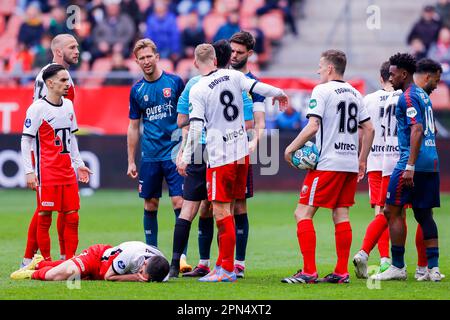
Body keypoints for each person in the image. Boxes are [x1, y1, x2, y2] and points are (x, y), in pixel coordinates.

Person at [178, 43, 288, 282]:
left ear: (196, 64)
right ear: (216, 60)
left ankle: (226, 269)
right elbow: (259, 87)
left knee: (220, 210)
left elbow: (196, 128)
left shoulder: (199, 88)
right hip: (241, 155)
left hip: (220, 157)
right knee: (230, 209)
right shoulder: (234, 75)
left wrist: (186, 157)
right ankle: (223, 265)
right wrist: (279, 92)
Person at [282, 49, 374, 284]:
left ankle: (309, 271)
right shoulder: (355, 92)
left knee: (302, 213)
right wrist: (362, 159)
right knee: (341, 214)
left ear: (330, 68)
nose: (318, 70)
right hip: (349, 164)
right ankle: (341, 272)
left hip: (328, 163)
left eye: (320, 66)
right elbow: (370, 129)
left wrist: (290, 149)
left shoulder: (322, 90)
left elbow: (313, 126)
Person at [168, 40, 254, 279]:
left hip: (202, 148)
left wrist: (185, 148)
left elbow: (181, 121)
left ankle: (185, 263)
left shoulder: (195, 84)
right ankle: (234, 264)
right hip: (233, 148)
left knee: (195, 208)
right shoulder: (238, 84)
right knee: (234, 206)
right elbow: (249, 122)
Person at [353, 59, 442, 280]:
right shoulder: (423, 95)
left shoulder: (408, 96)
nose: (390, 78)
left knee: (390, 211)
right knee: (424, 214)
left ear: (403, 73)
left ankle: (397, 266)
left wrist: (409, 165)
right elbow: (430, 130)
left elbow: (417, 129)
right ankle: (432, 268)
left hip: (404, 163)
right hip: (430, 162)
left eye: (393, 75)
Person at [21, 64, 92, 267]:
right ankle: (45, 261)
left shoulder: (68, 106)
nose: (67, 84)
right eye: (62, 80)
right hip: (47, 172)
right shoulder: (37, 109)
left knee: (73, 216)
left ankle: (68, 261)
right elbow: (25, 141)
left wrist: (79, 164)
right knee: (45, 216)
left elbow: (71, 137)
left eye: (68, 79)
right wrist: (29, 171)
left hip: (67, 171)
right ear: (50, 83)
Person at [127, 39, 187, 268]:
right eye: (141, 58)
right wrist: (131, 160)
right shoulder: (137, 90)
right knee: (150, 204)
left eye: (148, 56)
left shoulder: (174, 82)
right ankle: (151, 255)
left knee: (179, 202)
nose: (145, 61)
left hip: (174, 153)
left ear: (157, 56)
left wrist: (186, 148)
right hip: (150, 156)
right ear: (137, 62)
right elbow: (133, 126)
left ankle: (180, 257)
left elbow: (186, 120)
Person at [229, 31, 268, 278]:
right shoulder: (220, 78)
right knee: (211, 207)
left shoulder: (255, 85)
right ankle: (211, 262)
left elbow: (260, 122)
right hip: (216, 150)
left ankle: (239, 264)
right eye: (231, 51)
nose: (233, 55)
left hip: (240, 150)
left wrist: (254, 142)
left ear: (250, 54)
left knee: (239, 205)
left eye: (239, 52)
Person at [352, 61, 393, 275]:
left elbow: (362, 132)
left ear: (381, 78)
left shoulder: (368, 100)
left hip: (376, 161)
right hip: (398, 160)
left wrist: (362, 158)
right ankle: (399, 263)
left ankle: (385, 258)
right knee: (399, 213)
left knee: (380, 210)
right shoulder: (402, 98)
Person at [10, 241, 170, 282]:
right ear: (144, 264)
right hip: (97, 258)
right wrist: (134, 277)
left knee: (66, 268)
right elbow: (109, 277)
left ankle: (38, 262)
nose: (141, 276)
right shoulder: (131, 255)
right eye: (142, 273)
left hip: (101, 271)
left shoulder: (162, 269)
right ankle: (31, 273)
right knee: (61, 275)